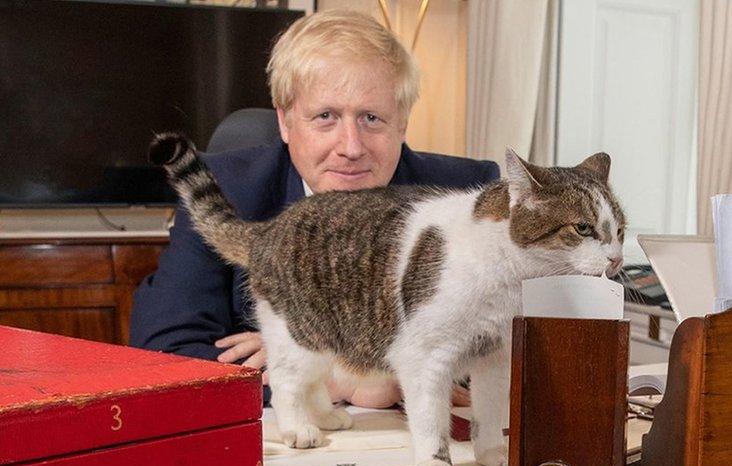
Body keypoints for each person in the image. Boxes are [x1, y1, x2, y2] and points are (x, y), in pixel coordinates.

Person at [130, 10, 499, 407]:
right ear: (286, 121)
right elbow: (164, 353)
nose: (351, 147)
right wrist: (336, 382)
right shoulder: (228, 188)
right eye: (326, 117)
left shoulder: (466, 196)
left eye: (371, 119)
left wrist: (354, 371)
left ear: (403, 123)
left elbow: (506, 358)